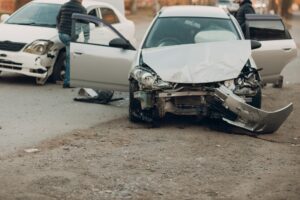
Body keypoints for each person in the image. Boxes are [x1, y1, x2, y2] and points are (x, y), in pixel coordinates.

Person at [56, 0, 87, 88]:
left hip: (61, 35)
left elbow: (57, 18)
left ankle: (68, 78)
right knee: (71, 59)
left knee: (70, 57)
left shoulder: (64, 5)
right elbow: (85, 23)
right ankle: (67, 82)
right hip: (70, 36)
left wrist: (59, 29)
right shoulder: (81, 8)